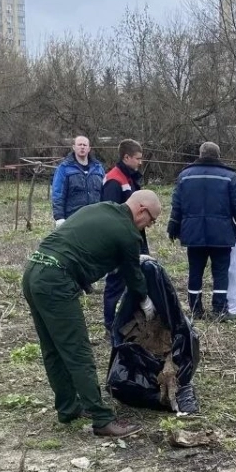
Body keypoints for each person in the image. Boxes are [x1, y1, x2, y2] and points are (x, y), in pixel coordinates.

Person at [22, 190, 162, 438]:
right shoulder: (128, 231)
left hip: (34, 272)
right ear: (141, 210)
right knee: (78, 352)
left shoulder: (103, 208)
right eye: (151, 221)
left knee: (53, 349)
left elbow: (97, 245)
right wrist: (145, 300)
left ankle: (68, 408)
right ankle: (101, 419)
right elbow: (133, 277)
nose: (148, 226)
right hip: (56, 280)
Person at [166, 142, 236, 320]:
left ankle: (196, 310)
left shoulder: (185, 176)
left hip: (193, 233)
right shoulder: (230, 177)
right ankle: (219, 309)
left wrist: (173, 227)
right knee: (220, 272)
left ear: (200, 154)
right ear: (219, 155)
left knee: (195, 271)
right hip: (221, 234)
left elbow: (177, 205)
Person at [101, 139, 149, 335]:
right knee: (115, 282)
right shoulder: (115, 180)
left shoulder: (130, 178)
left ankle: (131, 320)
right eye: (137, 158)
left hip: (134, 237)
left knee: (136, 277)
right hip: (120, 241)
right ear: (126, 157)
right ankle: (110, 325)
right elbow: (110, 214)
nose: (140, 162)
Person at [50, 136, 105, 228]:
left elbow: (104, 193)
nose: (82, 147)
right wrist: (59, 217)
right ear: (74, 147)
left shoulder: (98, 168)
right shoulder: (64, 168)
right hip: (73, 219)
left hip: (95, 219)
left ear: (89, 148)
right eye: (79, 145)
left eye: (85, 145)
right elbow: (58, 194)